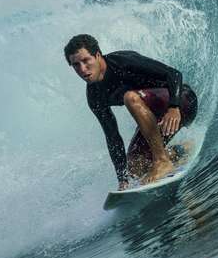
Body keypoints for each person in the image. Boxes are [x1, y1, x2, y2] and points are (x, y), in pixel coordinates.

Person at [64, 34, 198, 190]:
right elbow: (112, 136)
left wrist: (173, 108)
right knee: (135, 167)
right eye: (76, 65)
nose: (82, 69)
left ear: (97, 55)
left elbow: (174, 74)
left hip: (181, 102)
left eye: (86, 60)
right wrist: (122, 179)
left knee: (130, 97)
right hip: (157, 118)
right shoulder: (94, 96)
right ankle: (180, 151)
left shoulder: (122, 62)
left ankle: (162, 161)